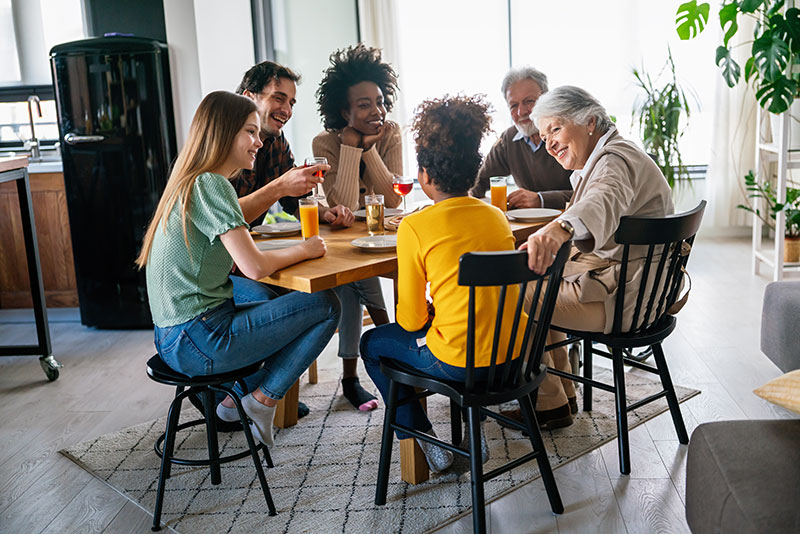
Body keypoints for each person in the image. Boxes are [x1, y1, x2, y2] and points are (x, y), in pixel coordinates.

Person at [136, 91, 341, 447]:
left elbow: (233, 219)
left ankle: (235, 400)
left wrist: (278, 190)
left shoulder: (192, 181)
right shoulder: (211, 184)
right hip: (199, 340)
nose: (259, 142)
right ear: (222, 134)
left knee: (270, 301)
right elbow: (254, 265)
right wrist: (305, 248)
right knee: (324, 305)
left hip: (173, 337)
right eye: (250, 132)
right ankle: (262, 400)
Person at [360, 95, 522, 472]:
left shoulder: (415, 226)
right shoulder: (497, 217)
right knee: (457, 326)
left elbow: (412, 322)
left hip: (458, 364)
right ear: (473, 174)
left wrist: (429, 314)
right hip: (513, 357)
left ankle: (424, 439)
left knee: (373, 344)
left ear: (426, 176)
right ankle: (471, 429)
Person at [503, 85, 674, 431]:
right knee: (541, 281)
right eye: (544, 134)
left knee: (511, 297)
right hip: (641, 290)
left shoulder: (615, 161)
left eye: (556, 129)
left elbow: (603, 199)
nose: (549, 143)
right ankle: (558, 398)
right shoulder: (611, 155)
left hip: (625, 300)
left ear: (590, 122)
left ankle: (548, 402)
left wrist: (559, 227)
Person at [228, 60, 354, 421]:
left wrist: (325, 212)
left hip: (245, 260)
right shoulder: (226, 145)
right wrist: (282, 186)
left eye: (292, 103)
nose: (286, 110)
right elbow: (224, 214)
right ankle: (245, 394)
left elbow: (291, 198)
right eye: (278, 98)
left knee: (305, 299)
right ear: (249, 96)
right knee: (281, 300)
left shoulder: (275, 142)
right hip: (220, 272)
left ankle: (266, 389)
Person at [312, 44, 401, 411]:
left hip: (380, 236)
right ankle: (388, 346)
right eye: (363, 105)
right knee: (350, 283)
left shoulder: (390, 133)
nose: (376, 111)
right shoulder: (325, 142)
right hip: (342, 243)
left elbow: (393, 200)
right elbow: (341, 205)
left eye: (379, 101)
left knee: (351, 286)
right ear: (343, 111)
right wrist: (351, 146)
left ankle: (355, 374)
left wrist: (370, 150)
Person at [469, 66, 572, 209]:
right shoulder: (508, 139)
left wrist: (542, 199)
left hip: (571, 223)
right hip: (527, 226)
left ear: (546, 99)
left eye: (529, 101)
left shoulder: (569, 133)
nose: (521, 111)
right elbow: (479, 182)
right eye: (513, 105)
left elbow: (592, 193)